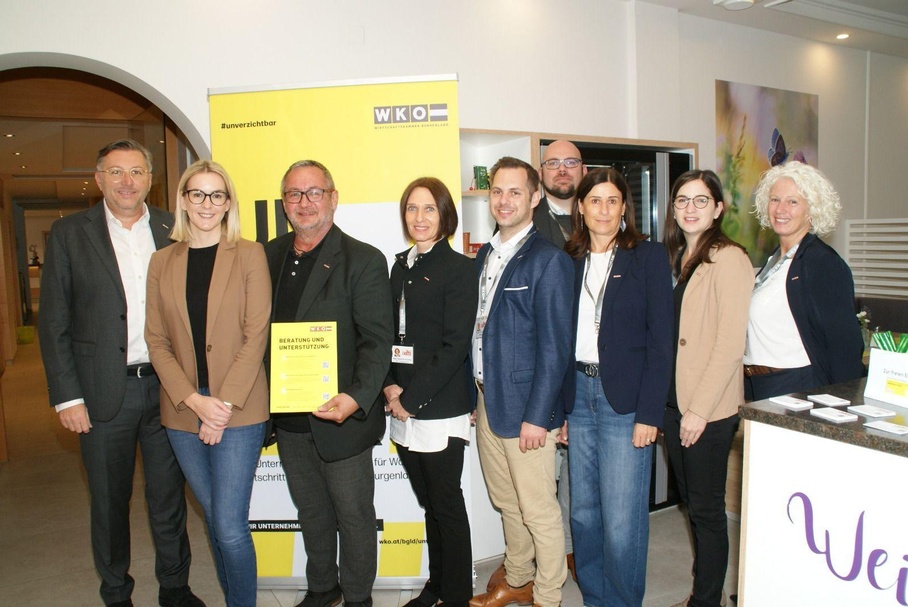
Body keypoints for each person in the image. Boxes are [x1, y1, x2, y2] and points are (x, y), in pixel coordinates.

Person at [38, 139, 205, 607]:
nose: (127, 181)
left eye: (136, 171)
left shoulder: (176, 227)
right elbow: (54, 321)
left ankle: (175, 587)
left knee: (169, 498)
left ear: (150, 180)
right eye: (116, 172)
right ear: (99, 179)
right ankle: (116, 592)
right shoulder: (70, 233)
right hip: (101, 392)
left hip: (169, 387)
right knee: (109, 504)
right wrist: (67, 397)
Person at [264, 160, 393, 607]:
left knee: (354, 517)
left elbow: (377, 344)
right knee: (312, 513)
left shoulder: (363, 259)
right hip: (290, 418)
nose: (304, 202)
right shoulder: (269, 255)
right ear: (284, 203)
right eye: (294, 194)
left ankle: (358, 598)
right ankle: (323, 589)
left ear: (333, 198)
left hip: (342, 418)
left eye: (314, 192)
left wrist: (355, 399)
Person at [145, 160, 271, 607]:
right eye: (196, 194)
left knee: (231, 527)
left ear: (228, 203)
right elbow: (156, 341)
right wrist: (195, 402)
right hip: (182, 413)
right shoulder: (162, 261)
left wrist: (221, 406)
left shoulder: (250, 254)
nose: (206, 203)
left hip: (239, 411)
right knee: (217, 523)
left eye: (216, 195)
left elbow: (257, 335)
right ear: (182, 201)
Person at [563, 167, 673, 607]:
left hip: (625, 404)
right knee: (584, 516)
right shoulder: (568, 260)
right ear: (581, 208)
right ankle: (595, 599)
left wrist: (650, 413)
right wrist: (560, 411)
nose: (603, 210)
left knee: (623, 520)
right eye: (595, 201)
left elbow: (661, 342)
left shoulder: (647, 257)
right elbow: (556, 341)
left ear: (624, 208)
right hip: (578, 395)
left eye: (612, 201)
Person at [468, 157, 574, 607]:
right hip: (489, 398)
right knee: (506, 501)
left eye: (515, 192)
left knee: (539, 510)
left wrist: (539, 417)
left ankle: (548, 596)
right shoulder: (486, 255)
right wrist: (477, 394)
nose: (504, 200)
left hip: (529, 408)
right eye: (497, 191)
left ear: (535, 197)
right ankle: (517, 577)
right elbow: (482, 330)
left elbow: (556, 347)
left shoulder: (548, 260)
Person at [662, 170, 754, 607]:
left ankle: (706, 601)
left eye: (701, 201)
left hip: (708, 409)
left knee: (707, 511)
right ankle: (703, 591)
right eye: (683, 200)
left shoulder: (729, 258)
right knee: (694, 508)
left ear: (718, 209)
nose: (690, 208)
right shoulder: (680, 257)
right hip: (676, 404)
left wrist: (697, 411)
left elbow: (729, 344)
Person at [383, 177, 477, 607]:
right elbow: (388, 333)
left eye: (429, 209)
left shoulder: (459, 269)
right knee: (430, 507)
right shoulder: (400, 265)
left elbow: (454, 345)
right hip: (401, 404)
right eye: (411, 209)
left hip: (437, 407)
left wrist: (409, 399)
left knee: (447, 507)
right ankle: (436, 585)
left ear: (445, 216)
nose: (419, 218)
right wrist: (388, 387)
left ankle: (455, 594)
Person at [743, 161, 864, 401]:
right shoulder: (775, 260)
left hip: (797, 388)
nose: (780, 209)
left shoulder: (822, 263)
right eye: (775, 199)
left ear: (812, 209)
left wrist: (842, 404)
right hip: (761, 385)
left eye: (793, 201)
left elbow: (844, 345)